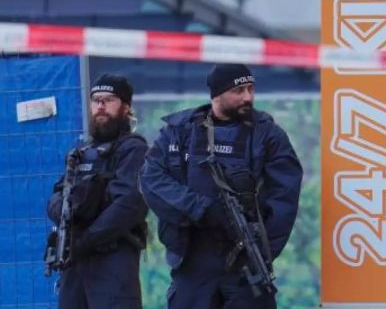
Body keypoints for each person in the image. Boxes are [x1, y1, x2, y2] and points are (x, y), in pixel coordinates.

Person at [140, 64, 303, 309]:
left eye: (250, 89)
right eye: (239, 90)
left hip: (246, 264)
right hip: (192, 260)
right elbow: (151, 179)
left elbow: (284, 198)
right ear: (217, 95)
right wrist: (198, 209)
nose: (247, 96)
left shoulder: (267, 134)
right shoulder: (179, 131)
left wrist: (261, 249)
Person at [47, 74, 148, 309]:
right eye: (96, 100)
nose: (100, 106)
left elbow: (128, 206)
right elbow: (57, 195)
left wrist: (85, 240)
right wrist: (63, 210)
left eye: (109, 100)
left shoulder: (134, 149)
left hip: (113, 261)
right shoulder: (81, 151)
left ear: (125, 107)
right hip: (75, 263)